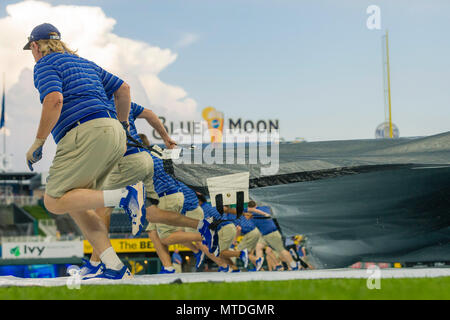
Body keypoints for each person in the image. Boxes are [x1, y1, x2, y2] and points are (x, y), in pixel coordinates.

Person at [24, 23, 146, 279]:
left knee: (54, 201)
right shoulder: (85, 63)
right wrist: (124, 127)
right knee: (76, 202)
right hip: (113, 132)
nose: (32, 53)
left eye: (31, 49)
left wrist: (38, 142)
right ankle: (113, 266)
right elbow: (123, 89)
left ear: (36, 46)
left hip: (83, 132)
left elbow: (54, 99)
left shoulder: (45, 64)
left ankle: (125, 196)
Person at [80, 104, 218, 277]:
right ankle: (201, 228)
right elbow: (149, 114)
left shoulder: (98, 103)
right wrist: (166, 138)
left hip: (132, 167)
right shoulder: (123, 100)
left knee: (104, 210)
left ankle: (97, 262)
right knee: (152, 219)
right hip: (149, 173)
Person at [197, 194, 248, 272]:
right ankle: (235, 269)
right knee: (224, 253)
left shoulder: (203, 209)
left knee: (219, 253)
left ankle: (241, 253)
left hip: (225, 229)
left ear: (199, 201)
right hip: (229, 227)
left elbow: (208, 224)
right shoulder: (211, 205)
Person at [247, 201, 300, 271]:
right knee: (259, 247)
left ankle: (294, 265)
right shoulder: (265, 208)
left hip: (272, 234)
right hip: (265, 234)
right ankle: (259, 266)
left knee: (282, 252)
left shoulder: (253, 213)